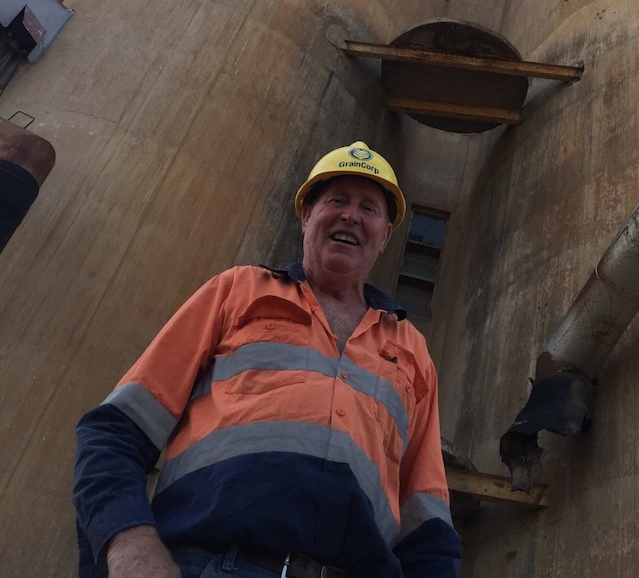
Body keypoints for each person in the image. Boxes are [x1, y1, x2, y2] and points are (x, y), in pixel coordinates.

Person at [73, 141, 461, 578]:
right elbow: (116, 433)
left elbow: (426, 524)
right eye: (336, 200)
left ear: (385, 235)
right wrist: (128, 545)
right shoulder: (239, 291)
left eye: (369, 208)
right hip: (208, 563)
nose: (351, 215)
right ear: (306, 216)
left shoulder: (410, 348)